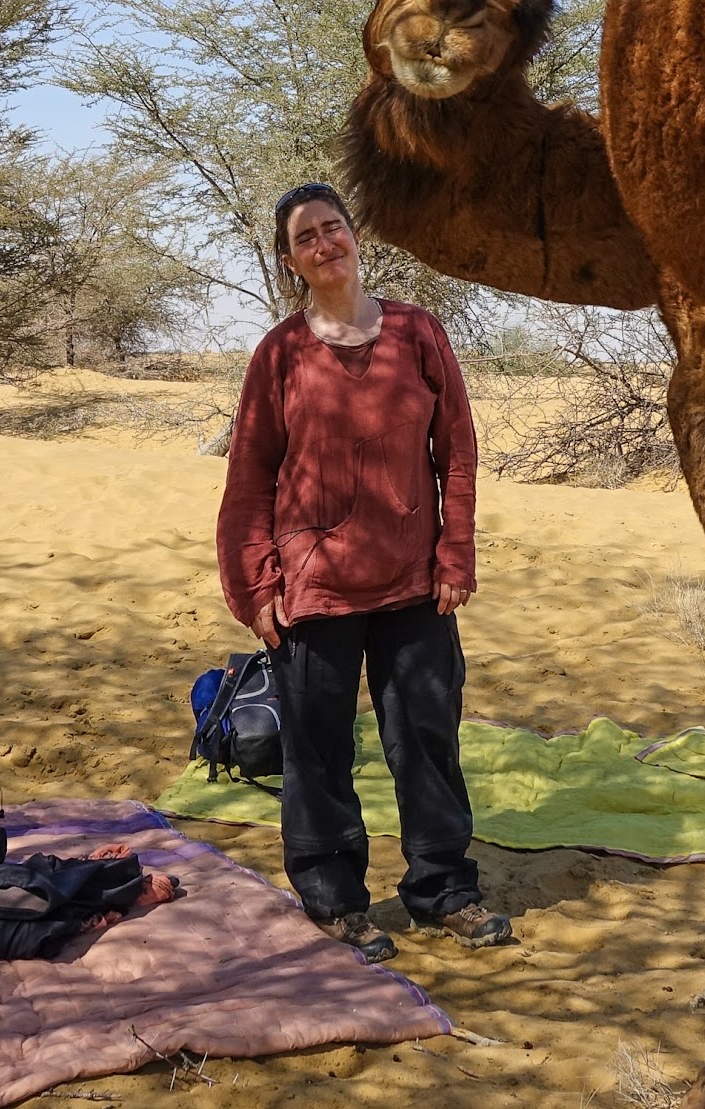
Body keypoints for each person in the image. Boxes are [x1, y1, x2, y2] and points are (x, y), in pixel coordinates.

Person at [215, 181, 512, 964]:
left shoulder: (416, 331)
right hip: (313, 585)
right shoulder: (279, 354)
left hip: (415, 576)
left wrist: (457, 551)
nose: (325, 243)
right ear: (292, 261)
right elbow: (248, 476)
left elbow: (459, 449)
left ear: (355, 235)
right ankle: (335, 898)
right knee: (316, 749)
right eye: (306, 237)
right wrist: (254, 584)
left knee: (426, 734)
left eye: (333, 226)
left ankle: (443, 887)